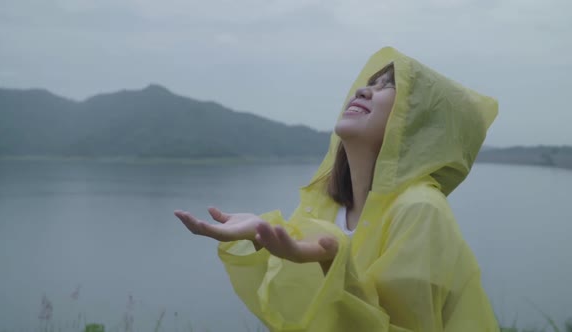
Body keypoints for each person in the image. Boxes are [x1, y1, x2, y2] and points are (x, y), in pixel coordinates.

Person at [175, 47, 499, 332]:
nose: (365, 90)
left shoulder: (419, 209)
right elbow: (298, 302)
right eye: (371, 82)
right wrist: (261, 239)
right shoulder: (327, 204)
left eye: (389, 87)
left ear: (419, 124)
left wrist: (333, 264)